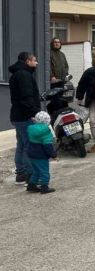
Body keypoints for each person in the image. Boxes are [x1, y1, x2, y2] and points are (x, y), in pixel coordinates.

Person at [9, 52, 41, 185]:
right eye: (34, 60)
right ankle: (30, 176)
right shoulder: (24, 75)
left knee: (21, 145)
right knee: (30, 145)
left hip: (18, 115)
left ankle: (21, 174)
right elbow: (26, 97)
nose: (36, 63)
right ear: (28, 61)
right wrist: (34, 113)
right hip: (25, 116)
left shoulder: (17, 74)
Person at [26, 111, 57, 194]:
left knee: (36, 171)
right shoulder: (46, 131)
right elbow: (48, 146)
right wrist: (54, 155)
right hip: (41, 155)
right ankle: (44, 187)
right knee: (44, 172)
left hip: (31, 154)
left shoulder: (31, 128)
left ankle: (31, 185)